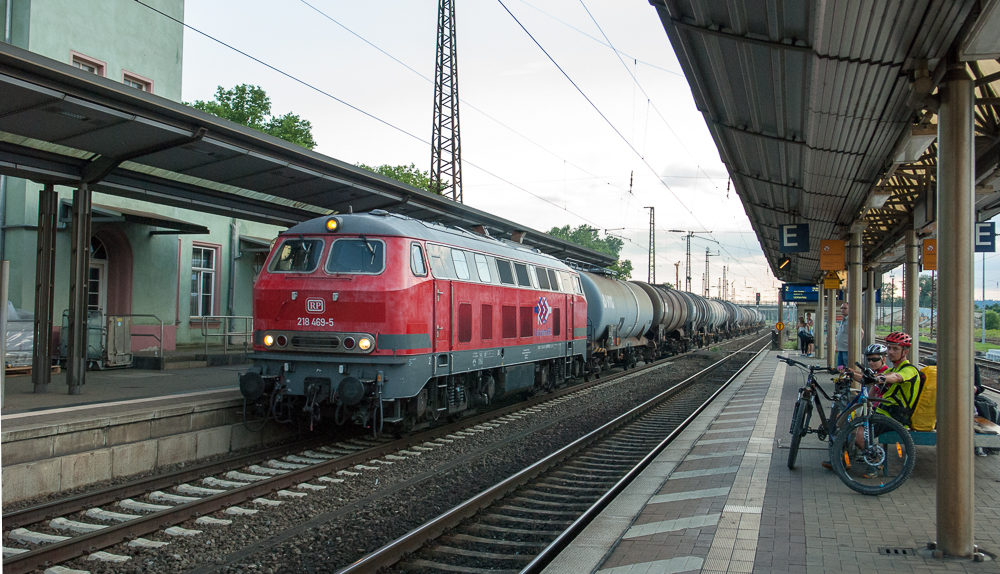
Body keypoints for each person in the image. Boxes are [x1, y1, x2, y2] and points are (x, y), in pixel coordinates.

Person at [835, 302, 864, 368]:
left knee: (848, 369)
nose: (843, 309)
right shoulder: (844, 319)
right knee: (840, 368)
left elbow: (861, 332)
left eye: (845, 308)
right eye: (842, 308)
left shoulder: (851, 320)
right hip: (841, 349)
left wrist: (856, 345)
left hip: (847, 350)